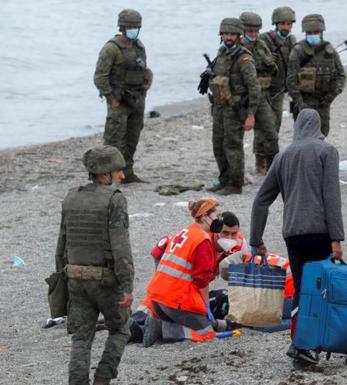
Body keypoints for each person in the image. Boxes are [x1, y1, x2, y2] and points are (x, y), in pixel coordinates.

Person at [249, 108, 345, 367]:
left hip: (293, 234)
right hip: (320, 232)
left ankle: (300, 345)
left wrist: (255, 239)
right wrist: (337, 238)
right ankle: (305, 345)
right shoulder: (327, 151)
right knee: (320, 291)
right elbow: (331, 198)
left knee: (302, 290)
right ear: (319, 126)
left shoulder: (283, 156)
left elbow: (261, 200)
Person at [54, 145, 134, 385]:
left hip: (75, 279)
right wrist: (127, 285)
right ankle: (102, 379)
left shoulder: (71, 197)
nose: (122, 175)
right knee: (120, 330)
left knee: (81, 338)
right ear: (104, 174)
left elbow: (62, 243)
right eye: (118, 171)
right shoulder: (115, 200)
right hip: (106, 281)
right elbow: (121, 248)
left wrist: (61, 277)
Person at [141, 197, 223, 346]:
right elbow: (202, 280)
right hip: (175, 299)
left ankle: (161, 322)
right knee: (207, 334)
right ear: (205, 217)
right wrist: (206, 308)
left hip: (156, 296)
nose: (220, 220)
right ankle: (168, 330)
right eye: (217, 216)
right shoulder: (202, 240)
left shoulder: (185, 232)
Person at [94, 9, 153, 184]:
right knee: (114, 139)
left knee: (132, 137)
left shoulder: (139, 46)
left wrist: (144, 90)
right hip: (119, 100)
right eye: (130, 27)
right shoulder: (111, 49)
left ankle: (127, 172)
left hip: (136, 98)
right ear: (122, 27)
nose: (133, 30)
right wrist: (111, 98)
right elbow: (100, 76)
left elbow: (142, 70)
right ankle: (107, 175)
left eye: (136, 27)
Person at [207, 17, 261, 195]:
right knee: (218, 145)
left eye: (232, 34)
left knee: (232, 146)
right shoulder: (221, 53)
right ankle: (224, 179)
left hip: (235, 110)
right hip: (220, 108)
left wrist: (251, 114)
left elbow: (254, 87)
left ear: (239, 36)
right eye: (226, 34)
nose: (228, 37)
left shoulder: (244, 58)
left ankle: (235, 183)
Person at [287, 14, 345, 136]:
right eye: (310, 32)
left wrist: (332, 95)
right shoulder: (298, 51)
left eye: (316, 32)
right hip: (304, 102)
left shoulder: (330, 50)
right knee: (303, 137)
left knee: (322, 135)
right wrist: (300, 103)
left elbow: (341, 75)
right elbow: (291, 81)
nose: (313, 35)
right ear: (305, 33)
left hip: (323, 103)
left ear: (321, 32)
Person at [239, 12, 280, 176]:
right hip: (240, 97)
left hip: (261, 95)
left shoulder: (261, 45)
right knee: (234, 136)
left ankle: (272, 168)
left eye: (256, 32)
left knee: (270, 132)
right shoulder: (233, 48)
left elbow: (273, 71)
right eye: (250, 32)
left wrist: (271, 64)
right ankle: (239, 171)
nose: (254, 35)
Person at [259, 7, 297, 135]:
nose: (285, 27)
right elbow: (252, 58)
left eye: (289, 24)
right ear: (276, 24)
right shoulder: (264, 39)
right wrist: (266, 60)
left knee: (276, 123)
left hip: (280, 90)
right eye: (282, 24)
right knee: (264, 125)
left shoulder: (292, 40)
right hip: (265, 89)